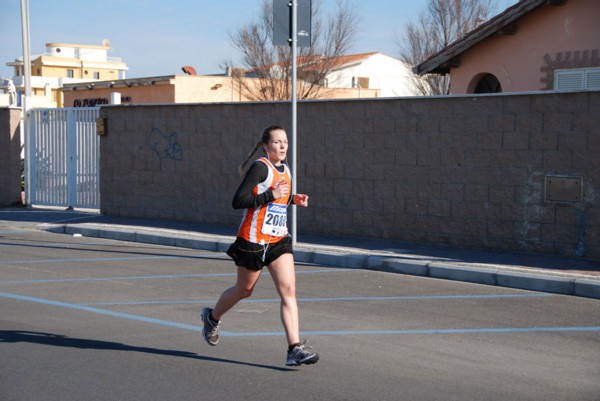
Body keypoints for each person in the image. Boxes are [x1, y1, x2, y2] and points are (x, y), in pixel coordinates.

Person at [200, 125, 319, 367]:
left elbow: (279, 198)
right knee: (244, 290)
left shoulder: (286, 169)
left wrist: (293, 200)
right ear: (266, 145)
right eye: (277, 142)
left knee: (288, 290)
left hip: (277, 240)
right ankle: (212, 318)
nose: (283, 146)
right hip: (252, 241)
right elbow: (239, 200)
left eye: (285, 141)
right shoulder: (259, 167)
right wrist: (271, 195)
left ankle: (294, 348)